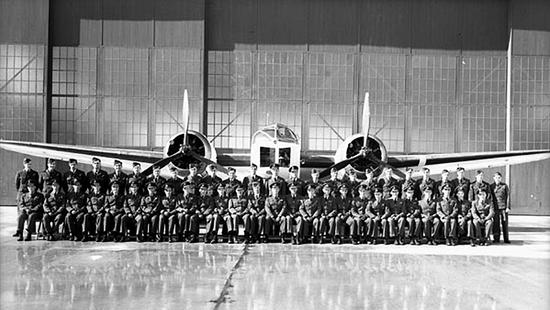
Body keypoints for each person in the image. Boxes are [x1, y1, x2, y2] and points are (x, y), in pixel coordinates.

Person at [491, 172, 510, 243]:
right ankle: (496, 238)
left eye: (499, 177)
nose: (497, 179)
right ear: (494, 178)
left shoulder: (504, 186)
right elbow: (490, 198)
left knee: (504, 223)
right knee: (496, 223)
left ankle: (506, 239)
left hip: (503, 207)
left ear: (501, 178)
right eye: (496, 177)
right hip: (495, 207)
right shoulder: (491, 186)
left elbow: (508, 197)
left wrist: (508, 207)